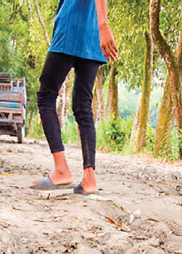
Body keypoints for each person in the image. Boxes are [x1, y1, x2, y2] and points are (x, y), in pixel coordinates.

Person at [32, 0, 118, 195]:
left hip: (72, 27)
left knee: (46, 96)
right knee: (83, 105)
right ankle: (89, 179)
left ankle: (61, 170)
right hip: (92, 36)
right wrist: (100, 26)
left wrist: (104, 25)